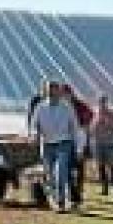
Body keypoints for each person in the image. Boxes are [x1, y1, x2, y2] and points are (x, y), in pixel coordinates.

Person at [30, 80, 79, 212]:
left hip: (64, 143)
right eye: (50, 90)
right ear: (46, 92)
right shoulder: (40, 108)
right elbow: (34, 125)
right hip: (47, 145)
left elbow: (74, 126)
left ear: (59, 91)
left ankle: (61, 202)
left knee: (60, 172)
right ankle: (53, 198)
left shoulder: (67, 107)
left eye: (55, 90)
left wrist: (78, 147)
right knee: (50, 175)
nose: (52, 93)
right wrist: (35, 135)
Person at [89, 95, 113, 196]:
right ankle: (104, 189)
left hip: (108, 143)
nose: (102, 105)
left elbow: (112, 125)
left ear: (106, 102)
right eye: (100, 103)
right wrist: (96, 121)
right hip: (97, 143)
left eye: (103, 102)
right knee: (101, 166)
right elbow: (91, 129)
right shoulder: (95, 114)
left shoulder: (112, 113)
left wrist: (104, 119)